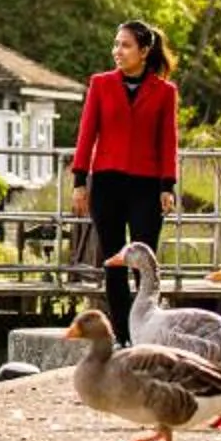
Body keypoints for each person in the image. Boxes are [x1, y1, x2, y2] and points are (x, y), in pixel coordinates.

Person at [71, 19, 180, 341]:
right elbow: (87, 133)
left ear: (144, 51)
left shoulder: (164, 92)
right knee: (113, 262)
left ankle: (145, 332)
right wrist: (79, 181)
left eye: (126, 45)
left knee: (143, 263)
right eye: (116, 44)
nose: (117, 51)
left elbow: (168, 141)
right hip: (106, 184)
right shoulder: (100, 84)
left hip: (146, 186)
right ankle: (122, 337)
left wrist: (167, 186)